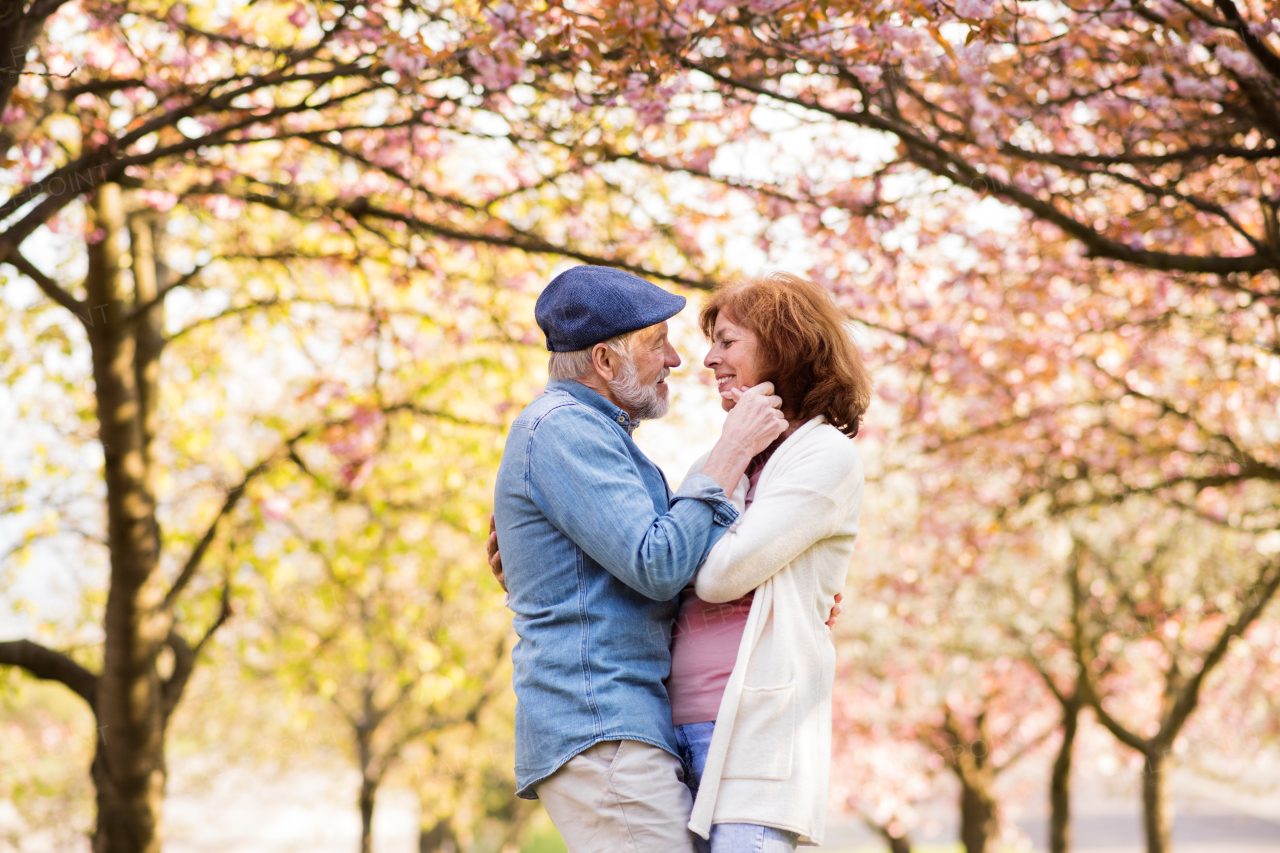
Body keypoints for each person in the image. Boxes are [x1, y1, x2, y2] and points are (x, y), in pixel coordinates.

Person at [491, 265, 789, 853]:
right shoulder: (563, 431)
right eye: (659, 344)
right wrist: (730, 452)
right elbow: (658, 563)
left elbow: (660, 570)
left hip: (622, 725)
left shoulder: (594, 435)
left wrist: (782, 592)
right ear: (604, 360)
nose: (677, 360)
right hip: (601, 726)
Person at [668, 271, 872, 851]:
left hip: (753, 740)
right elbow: (662, 559)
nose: (708, 359)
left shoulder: (825, 455)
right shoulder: (722, 455)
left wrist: (728, 460)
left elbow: (714, 576)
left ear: (782, 344)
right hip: (672, 730)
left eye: (727, 341)